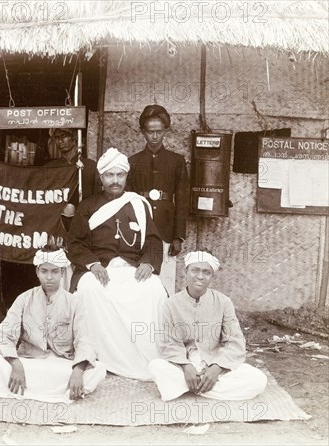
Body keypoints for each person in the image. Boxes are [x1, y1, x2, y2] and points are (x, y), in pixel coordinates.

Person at [67, 147, 167, 380]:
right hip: (99, 269)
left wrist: (148, 264)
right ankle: (94, 354)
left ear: (126, 176)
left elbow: (153, 241)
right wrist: (92, 264)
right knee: (89, 289)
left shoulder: (139, 205)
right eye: (109, 175)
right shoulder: (88, 206)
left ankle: (146, 356)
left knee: (153, 289)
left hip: (133, 268)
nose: (115, 180)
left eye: (119, 175)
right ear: (101, 178)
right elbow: (75, 243)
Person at [0, 244, 106, 403]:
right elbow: (4, 335)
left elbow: (85, 340)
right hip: (30, 364)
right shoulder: (24, 299)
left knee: (99, 370)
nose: (49, 277)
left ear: (62, 272)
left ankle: (26, 389)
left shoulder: (74, 303)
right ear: (37, 272)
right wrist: (16, 364)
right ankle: (62, 391)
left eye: (54, 271)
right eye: (44, 271)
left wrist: (78, 370)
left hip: (62, 366)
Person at [148, 251, 268, 401]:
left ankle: (191, 387)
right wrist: (186, 366)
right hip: (184, 365)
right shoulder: (170, 304)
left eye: (206, 272)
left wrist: (216, 368)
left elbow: (235, 342)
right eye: (195, 270)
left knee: (258, 380)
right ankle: (202, 385)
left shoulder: (224, 302)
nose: (200, 276)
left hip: (215, 362)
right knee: (155, 366)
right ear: (185, 272)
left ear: (212, 276)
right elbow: (169, 343)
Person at [127, 105, 189, 295]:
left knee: (165, 279)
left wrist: (178, 236)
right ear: (143, 132)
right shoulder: (132, 162)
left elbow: (183, 199)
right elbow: (127, 199)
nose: (154, 136)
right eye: (150, 132)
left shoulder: (176, 161)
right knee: (139, 279)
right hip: (139, 227)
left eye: (159, 131)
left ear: (165, 132)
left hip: (166, 227)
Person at [44, 128, 100, 225]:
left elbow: (97, 197)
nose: (60, 141)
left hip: (84, 220)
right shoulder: (50, 167)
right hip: (58, 222)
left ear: (74, 137)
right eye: (57, 138)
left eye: (64, 136)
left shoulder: (90, 166)